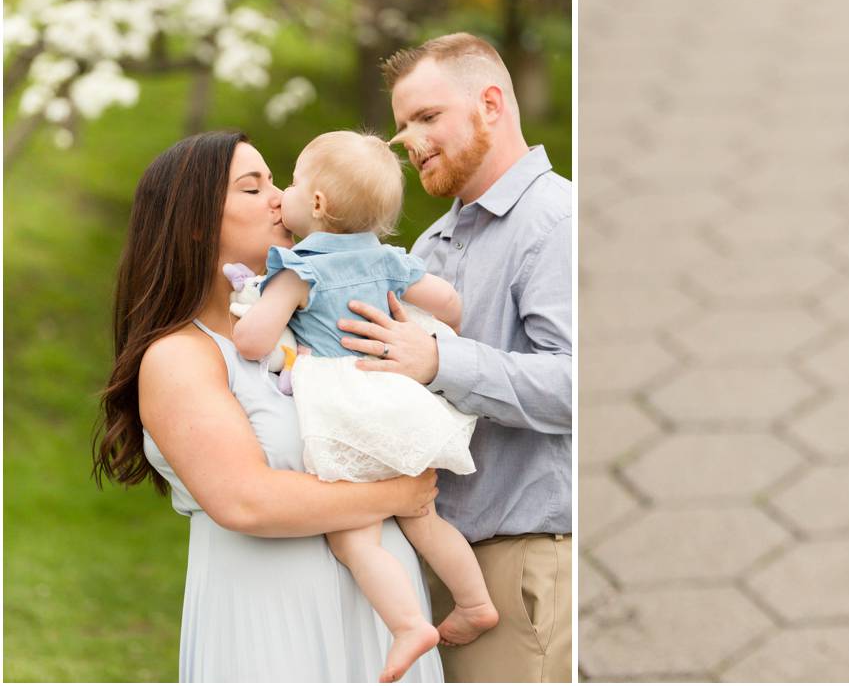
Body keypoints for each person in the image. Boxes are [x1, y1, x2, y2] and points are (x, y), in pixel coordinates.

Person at [93, 131, 444, 682]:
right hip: (272, 619)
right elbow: (247, 501)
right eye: (253, 189)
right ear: (196, 223)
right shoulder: (181, 356)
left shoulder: (312, 325)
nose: (280, 197)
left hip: (383, 619)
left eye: (277, 182)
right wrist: (401, 492)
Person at [338, 33, 572, 682]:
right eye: (402, 125)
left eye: (426, 118)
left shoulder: (555, 221)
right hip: (438, 560)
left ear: (491, 103)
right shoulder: (428, 248)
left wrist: (441, 359)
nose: (407, 141)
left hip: (521, 562)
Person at [232, 130, 499, 682]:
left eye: (295, 182)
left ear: (320, 203)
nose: (285, 193)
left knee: (354, 533)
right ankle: (474, 602)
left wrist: (258, 307)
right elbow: (451, 307)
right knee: (423, 515)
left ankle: (407, 624)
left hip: (346, 410)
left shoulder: (301, 268)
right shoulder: (389, 259)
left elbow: (255, 343)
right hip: (397, 397)